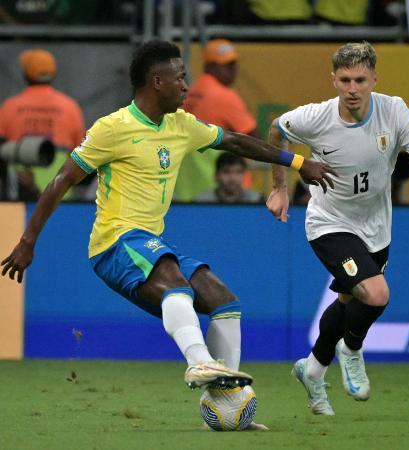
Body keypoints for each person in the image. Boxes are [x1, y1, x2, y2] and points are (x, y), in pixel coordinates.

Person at [1, 41, 335, 429]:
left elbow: (235, 140)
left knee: (223, 300)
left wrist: (296, 161)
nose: (186, 85)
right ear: (156, 82)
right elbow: (62, 179)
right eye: (179, 77)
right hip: (115, 242)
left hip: (149, 243)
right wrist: (28, 241)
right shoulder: (113, 128)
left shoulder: (182, 125)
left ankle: (227, 406)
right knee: (175, 279)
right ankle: (199, 363)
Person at [266, 42, 409, 416]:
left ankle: (312, 369)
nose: (352, 89)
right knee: (376, 294)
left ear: (373, 79)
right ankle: (351, 348)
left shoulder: (393, 110)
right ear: (334, 80)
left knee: (349, 300)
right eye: (345, 80)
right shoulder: (316, 118)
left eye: (360, 80)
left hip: (377, 227)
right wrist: (280, 186)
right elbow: (276, 130)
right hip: (329, 222)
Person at [175, 38, 259, 202]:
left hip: (187, 188)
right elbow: (254, 138)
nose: (233, 70)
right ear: (209, 66)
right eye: (227, 65)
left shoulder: (191, 92)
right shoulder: (224, 96)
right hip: (221, 191)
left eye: (234, 64)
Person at [0, 49, 85, 200]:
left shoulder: (9, 107)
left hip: (18, 197)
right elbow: (82, 155)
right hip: (59, 197)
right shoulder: (70, 107)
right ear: (53, 74)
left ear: (25, 74)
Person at [195, 152, 263, 203]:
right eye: (226, 172)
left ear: (244, 175)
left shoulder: (257, 201)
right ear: (216, 175)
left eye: (238, 172)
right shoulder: (201, 203)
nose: (232, 178)